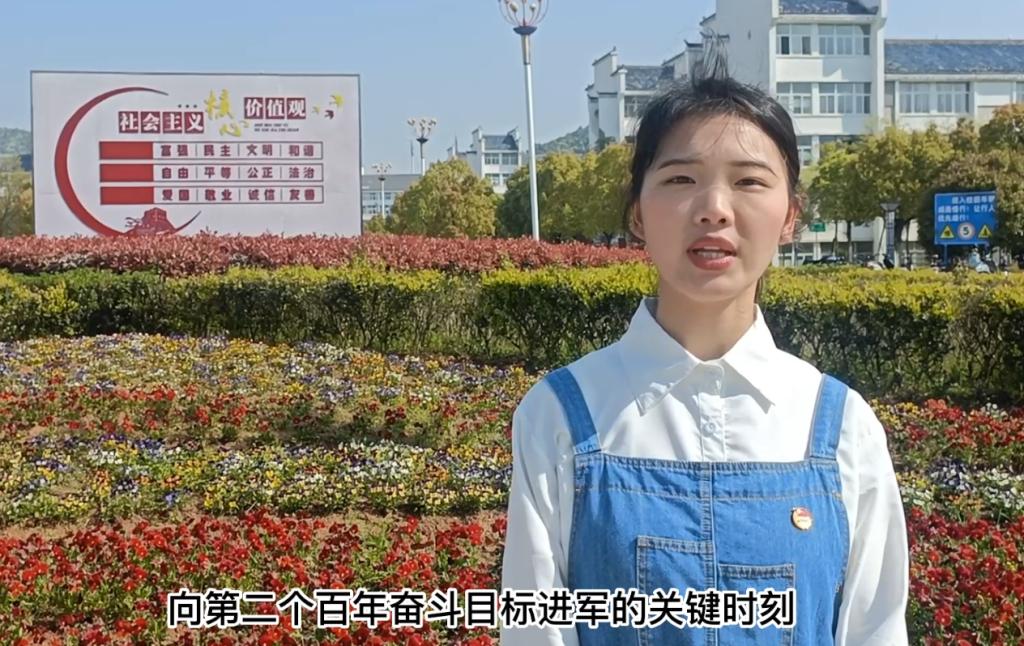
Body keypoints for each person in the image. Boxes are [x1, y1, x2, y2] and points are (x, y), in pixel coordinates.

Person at [500, 39, 909, 646]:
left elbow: (875, 630)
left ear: (790, 217)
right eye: (681, 178)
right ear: (638, 213)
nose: (714, 209)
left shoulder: (841, 426)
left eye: (749, 181)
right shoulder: (560, 416)